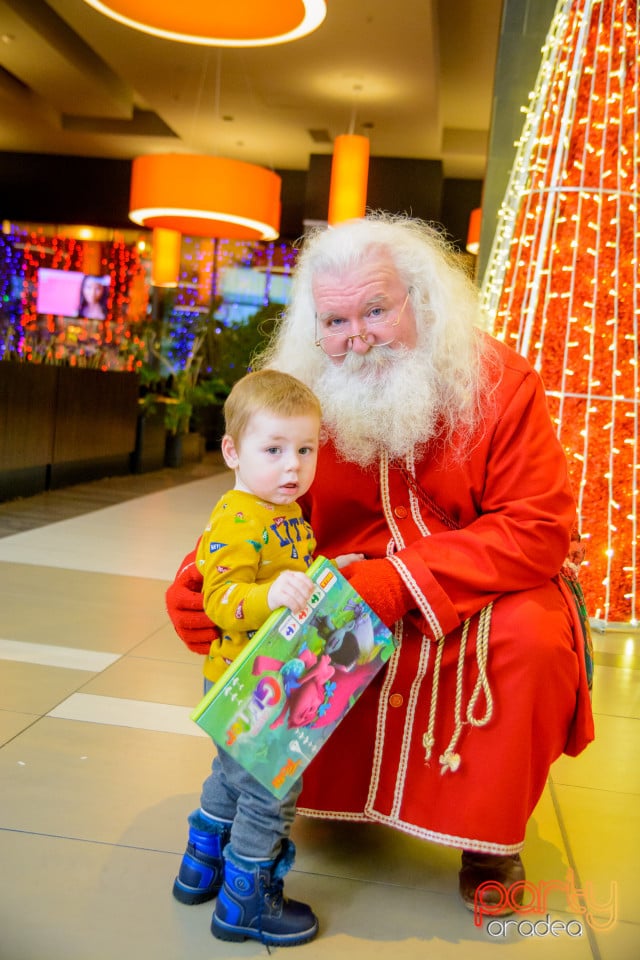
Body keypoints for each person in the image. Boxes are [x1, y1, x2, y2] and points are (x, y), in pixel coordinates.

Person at [166, 214, 594, 922]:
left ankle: (487, 838)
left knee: (534, 638)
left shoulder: (500, 382)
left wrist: (398, 582)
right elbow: (255, 504)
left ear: (418, 300)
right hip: (338, 587)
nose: (356, 336)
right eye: (334, 320)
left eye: (375, 309)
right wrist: (198, 576)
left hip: (480, 587)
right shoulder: (295, 392)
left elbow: (539, 526)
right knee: (299, 618)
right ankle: (246, 848)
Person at [172, 368, 361, 947]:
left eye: (305, 450)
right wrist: (269, 596)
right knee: (269, 794)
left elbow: (292, 577)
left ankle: (200, 866)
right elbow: (221, 599)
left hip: (266, 678)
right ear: (232, 451)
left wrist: (326, 575)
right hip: (246, 685)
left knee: (231, 778)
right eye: (274, 449)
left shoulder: (286, 514)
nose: (292, 466)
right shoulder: (238, 516)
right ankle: (244, 902)